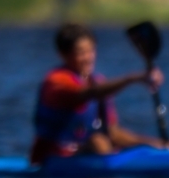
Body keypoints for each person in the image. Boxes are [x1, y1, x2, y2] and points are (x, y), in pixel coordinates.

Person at [30, 22, 164, 164]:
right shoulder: (56, 81)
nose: (88, 58)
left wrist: (153, 144)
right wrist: (132, 79)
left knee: (105, 141)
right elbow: (88, 93)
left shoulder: (98, 81)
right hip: (50, 161)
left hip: (86, 157)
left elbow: (113, 133)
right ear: (63, 55)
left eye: (91, 51)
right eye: (81, 53)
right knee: (98, 142)